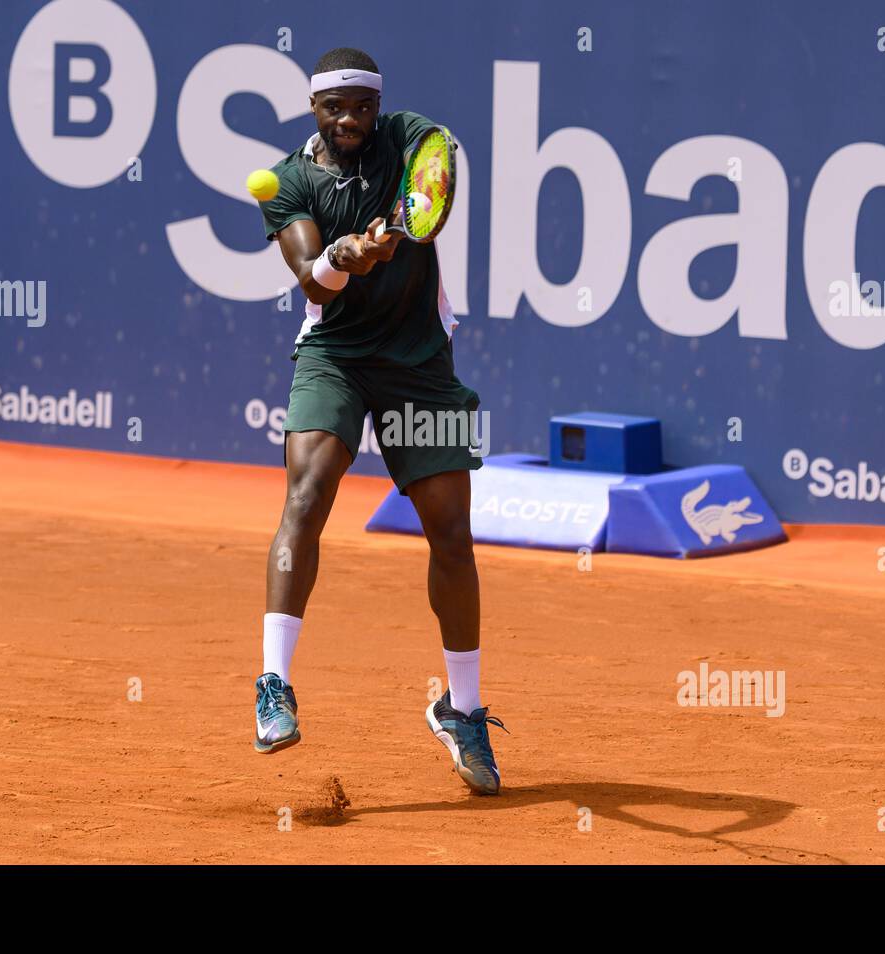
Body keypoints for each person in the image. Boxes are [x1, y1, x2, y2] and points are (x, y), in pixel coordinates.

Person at [253, 47, 505, 795]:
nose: (352, 120)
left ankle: (462, 710)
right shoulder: (289, 180)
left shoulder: (413, 138)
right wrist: (343, 255)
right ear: (315, 111)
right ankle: (273, 684)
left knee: (451, 534)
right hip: (334, 357)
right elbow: (312, 283)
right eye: (337, 108)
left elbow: (437, 164)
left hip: (418, 364)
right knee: (310, 490)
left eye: (363, 106)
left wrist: (388, 234)